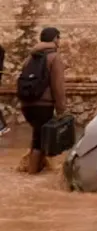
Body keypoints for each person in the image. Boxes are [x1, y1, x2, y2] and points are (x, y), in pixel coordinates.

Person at [19, 27, 68, 174]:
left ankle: (37, 166)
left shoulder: (30, 57)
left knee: (38, 135)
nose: (59, 41)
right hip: (43, 104)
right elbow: (57, 86)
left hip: (26, 104)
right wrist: (61, 109)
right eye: (59, 38)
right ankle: (32, 174)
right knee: (39, 142)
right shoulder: (54, 57)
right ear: (55, 39)